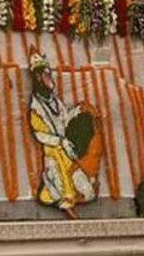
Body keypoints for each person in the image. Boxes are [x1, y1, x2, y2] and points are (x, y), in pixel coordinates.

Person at [26, 49, 99, 219]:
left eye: (49, 74)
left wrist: (77, 111)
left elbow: (64, 119)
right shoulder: (36, 108)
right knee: (59, 189)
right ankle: (63, 202)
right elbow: (39, 134)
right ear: (38, 78)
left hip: (68, 154)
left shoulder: (54, 100)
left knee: (88, 193)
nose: (49, 78)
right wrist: (60, 142)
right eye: (45, 75)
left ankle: (66, 197)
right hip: (54, 155)